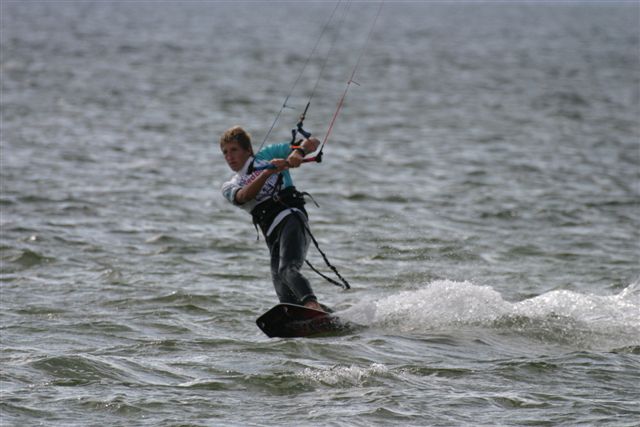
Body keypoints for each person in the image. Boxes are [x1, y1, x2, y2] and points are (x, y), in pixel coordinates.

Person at [220, 126, 325, 311]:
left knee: (287, 270)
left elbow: (313, 142)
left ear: (248, 150)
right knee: (286, 299)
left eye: (234, 150)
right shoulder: (230, 185)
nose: (229, 157)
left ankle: (312, 305)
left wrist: (298, 152)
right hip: (273, 235)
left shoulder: (268, 155)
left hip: (292, 217)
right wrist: (267, 173)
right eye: (225, 152)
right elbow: (244, 196)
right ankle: (331, 316)